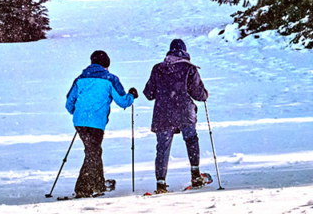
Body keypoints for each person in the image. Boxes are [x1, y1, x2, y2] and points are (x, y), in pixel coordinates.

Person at [65, 50, 138, 198]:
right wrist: (132, 95)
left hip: (80, 122)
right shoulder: (110, 79)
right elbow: (123, 101)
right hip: (96, 123)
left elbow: (69, 103)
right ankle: (83, 188)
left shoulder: (80, 78)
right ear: (106, 65)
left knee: (94, 151)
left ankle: (98, 183)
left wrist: (80, 113)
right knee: (92, 153)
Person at [144, 38, 208, 193]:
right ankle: (195, 174)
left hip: (162, 113)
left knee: (163, 148)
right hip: (184, 111)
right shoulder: (189, 68)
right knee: (191, 140)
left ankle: (160, 183)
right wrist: (204, 94)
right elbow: (198, 94)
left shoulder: (158, 68)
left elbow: (149, 93)